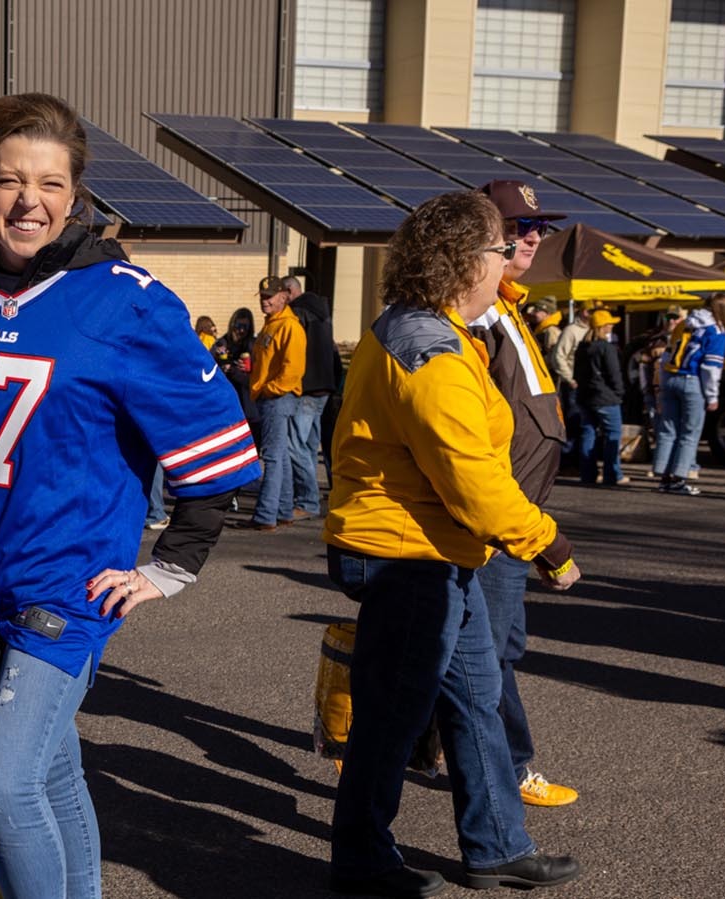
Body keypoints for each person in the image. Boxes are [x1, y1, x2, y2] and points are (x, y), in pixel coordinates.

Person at [0, 92, 260, 899]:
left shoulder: (127, 299)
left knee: (3, 786)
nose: (28, 201)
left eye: (50, 184)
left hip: (66, 586)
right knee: (54, 767)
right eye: (8, 181)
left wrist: (170, 566)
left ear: (76, 196)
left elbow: (217, 445)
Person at [323, 191, 582, 898]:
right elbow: (471, 476)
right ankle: (362, 859)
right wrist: (547, 543)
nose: (509, 263)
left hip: (436, 550)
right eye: (502, 251)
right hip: (408, 554)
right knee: (393, 715)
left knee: (474, 699)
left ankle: (496, 843)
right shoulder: (429, 347)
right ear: (468, 261)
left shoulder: (430, 328)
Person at [465, 179, 577, 808]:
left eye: (540, 228)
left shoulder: (507, 305)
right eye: (519, 227)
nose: (533, 236)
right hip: (498, 517)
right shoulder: (481, 312)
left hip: (517, 511)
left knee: (483, 650)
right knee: (491, 654)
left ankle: (405, 748)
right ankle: (510, 764)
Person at [653, 294, 725, 495]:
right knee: (690, 432)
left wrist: (661, 386)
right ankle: (679, 479)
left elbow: (666, 357)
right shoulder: (716, 330)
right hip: (692, 380)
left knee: (668, 429)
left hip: (670, 377)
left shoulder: (685, 324)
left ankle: (664, 476)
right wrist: (712, 396)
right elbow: (711, 367)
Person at [245, 275, 306, 530]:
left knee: (271, 456)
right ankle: (281, 510)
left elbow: (293, 370)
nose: (265, 301)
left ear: (284, 297)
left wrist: (269, 389)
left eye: (269, 297)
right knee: (279, 455)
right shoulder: (272, 325)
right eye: (262, 297)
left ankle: (265, 514)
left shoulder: (289, 327)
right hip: (271, 396)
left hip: (278, 398)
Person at [286, 275, 340, 521]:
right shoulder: (323, 313)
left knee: (295, 444)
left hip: (307, 387)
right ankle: (310, 496)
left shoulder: (298, 313)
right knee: (308, 445)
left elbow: (294, 349)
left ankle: (307, 500)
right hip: (325, 386)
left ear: (289, 292)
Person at [575, 309, 627, 487]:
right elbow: (614, 374)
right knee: (612, 435)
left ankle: (588, 474)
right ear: (603, 327)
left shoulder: (583, 347)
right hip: (606, 397)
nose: (612, 326)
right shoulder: (606, 347)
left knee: (588, 433)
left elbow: (577, 373)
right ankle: (611, 474)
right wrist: (619, 393)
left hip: (585, 396)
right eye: (610, 324)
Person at [549, 305, 591, 462]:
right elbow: (558, 357)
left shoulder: (594, 330)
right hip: (574, 384)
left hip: (588, 385)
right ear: (581, 310)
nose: (592, 314)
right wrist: (570, 379)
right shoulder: (571, 330)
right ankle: (568, 462)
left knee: (584, 425)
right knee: (573, 423)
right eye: (589, 310)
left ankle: (580, 463)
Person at [212, 307, 260, 429]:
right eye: (239, 326)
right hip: (227, 405)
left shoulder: (254, 345)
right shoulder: (222, 343)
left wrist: (238, 370)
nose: (242, 330)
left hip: (249, 407)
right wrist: (217, 359)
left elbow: (254, 379)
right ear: (232, 325)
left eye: (246, 327)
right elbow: (208, 369)